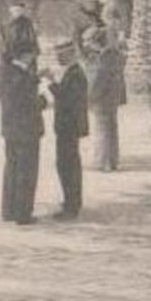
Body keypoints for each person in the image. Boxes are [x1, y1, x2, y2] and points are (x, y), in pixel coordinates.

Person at [0, 46, 45, 225]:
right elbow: (26, 102)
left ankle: (8, 209)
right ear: (25, 55)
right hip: (27, 129)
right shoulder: (22, 76)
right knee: (27, 171)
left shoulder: (5, 71)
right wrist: (42, 101)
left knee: (11, 169)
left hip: (10, 129)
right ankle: (23, 213)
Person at [45, 40, 89, 219]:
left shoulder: (75, 74)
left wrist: (51, 82)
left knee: (67, 165)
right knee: (67, 164)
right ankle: (70, 201)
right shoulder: (73, 72)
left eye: (61, 56)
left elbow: (67, 99)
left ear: (70, 55)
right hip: (68, 126)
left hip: (69, 127)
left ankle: (71, 206)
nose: (58, 59)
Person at [86, 15, 128, 172]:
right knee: (111, 127)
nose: (89, 46)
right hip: (113, 95)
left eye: (91, 42)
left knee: (102, 127)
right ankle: (112, 160)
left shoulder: (103, 58)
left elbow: (98, 79)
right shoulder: (117, 55)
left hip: (102, 96)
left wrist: (90, 97)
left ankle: (103, 161)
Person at [0, 0, 39, 64]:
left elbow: (32, 39)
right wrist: (4, 52)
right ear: (10, 10)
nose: (17, 12)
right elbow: (2, 39)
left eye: (19, 10)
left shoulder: (27, 23)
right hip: (9, 53)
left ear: (23, 11)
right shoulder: (5, 23)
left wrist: (33, 53)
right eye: (15, 10)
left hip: (24, 53)